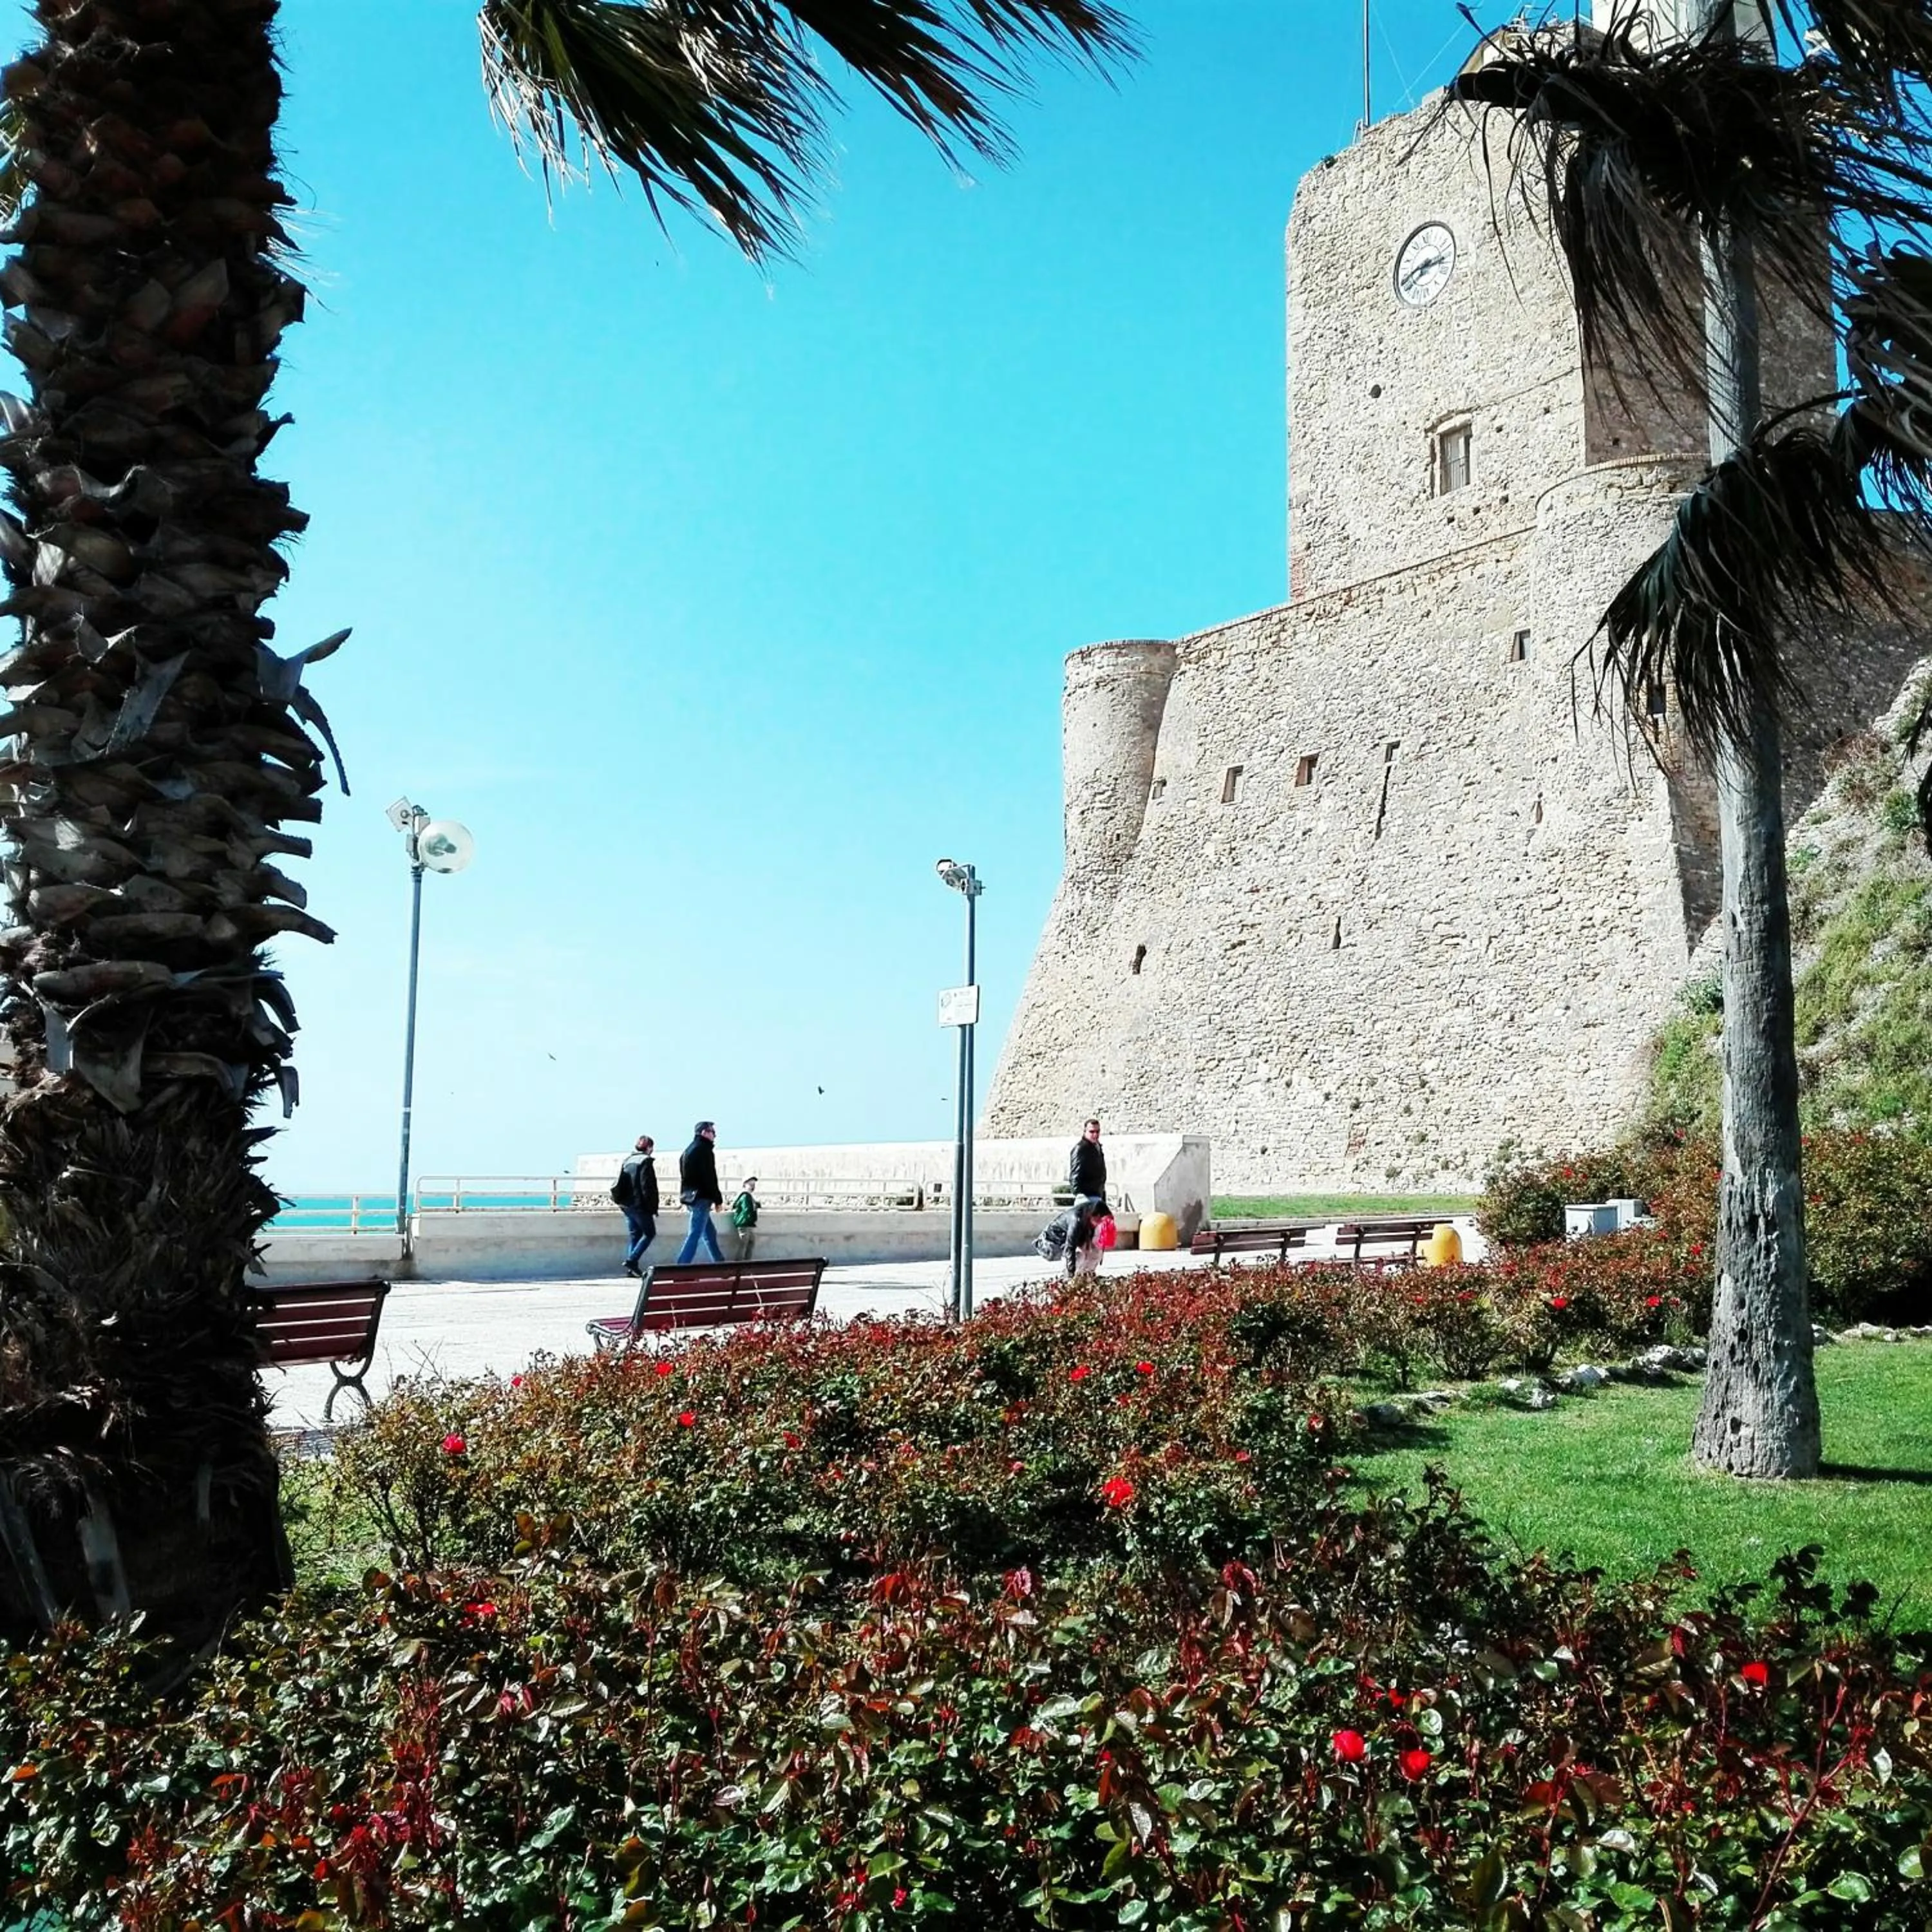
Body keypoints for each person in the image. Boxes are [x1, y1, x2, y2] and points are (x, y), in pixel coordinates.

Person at [676, 1120, 726, 1264]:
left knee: (709, 1233)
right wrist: (718, 1200)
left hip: (690, 1197)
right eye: (713, 1132)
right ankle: (681, 1266)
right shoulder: (704, 1150)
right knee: (695, 1234)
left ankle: (720, 1263)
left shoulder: (688, 1150)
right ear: (704, 1132)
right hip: (701, 1198)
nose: (715, 1136)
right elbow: (710, 1177)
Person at [611, 1133, 659, 1277]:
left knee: (635, 1235)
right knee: (650, 1233)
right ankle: (632, 1261)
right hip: (640, 1206)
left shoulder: (628, 1160)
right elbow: (647, 1187)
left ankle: (631, 1269)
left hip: (626, 1205)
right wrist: (652, 1207)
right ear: (649, 1148)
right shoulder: (646, 1161)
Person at [1069, 1116, 1108, 1215]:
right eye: (1092, 1132)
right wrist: (1081, 1194)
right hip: (1086, 1198)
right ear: (1085, 1132)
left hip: (1096, 1196)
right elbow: (1075, 1176)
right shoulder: (1081, 1149)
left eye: (1098, 1132)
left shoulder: (1097, 1147)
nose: (1095, 1135)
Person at [730, 1175, 760, 1262]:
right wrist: (751, 1218)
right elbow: (747, 1209)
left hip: (746, 1223)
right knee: (744, 1242)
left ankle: (746, 1261)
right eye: (750, 1184)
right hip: (745, 1223)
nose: (753, 1186)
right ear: (744, 1185)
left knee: (750, 1242)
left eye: (753, 1184)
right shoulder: (746, 1196)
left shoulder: (747, 1196)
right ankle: (740, 1262)